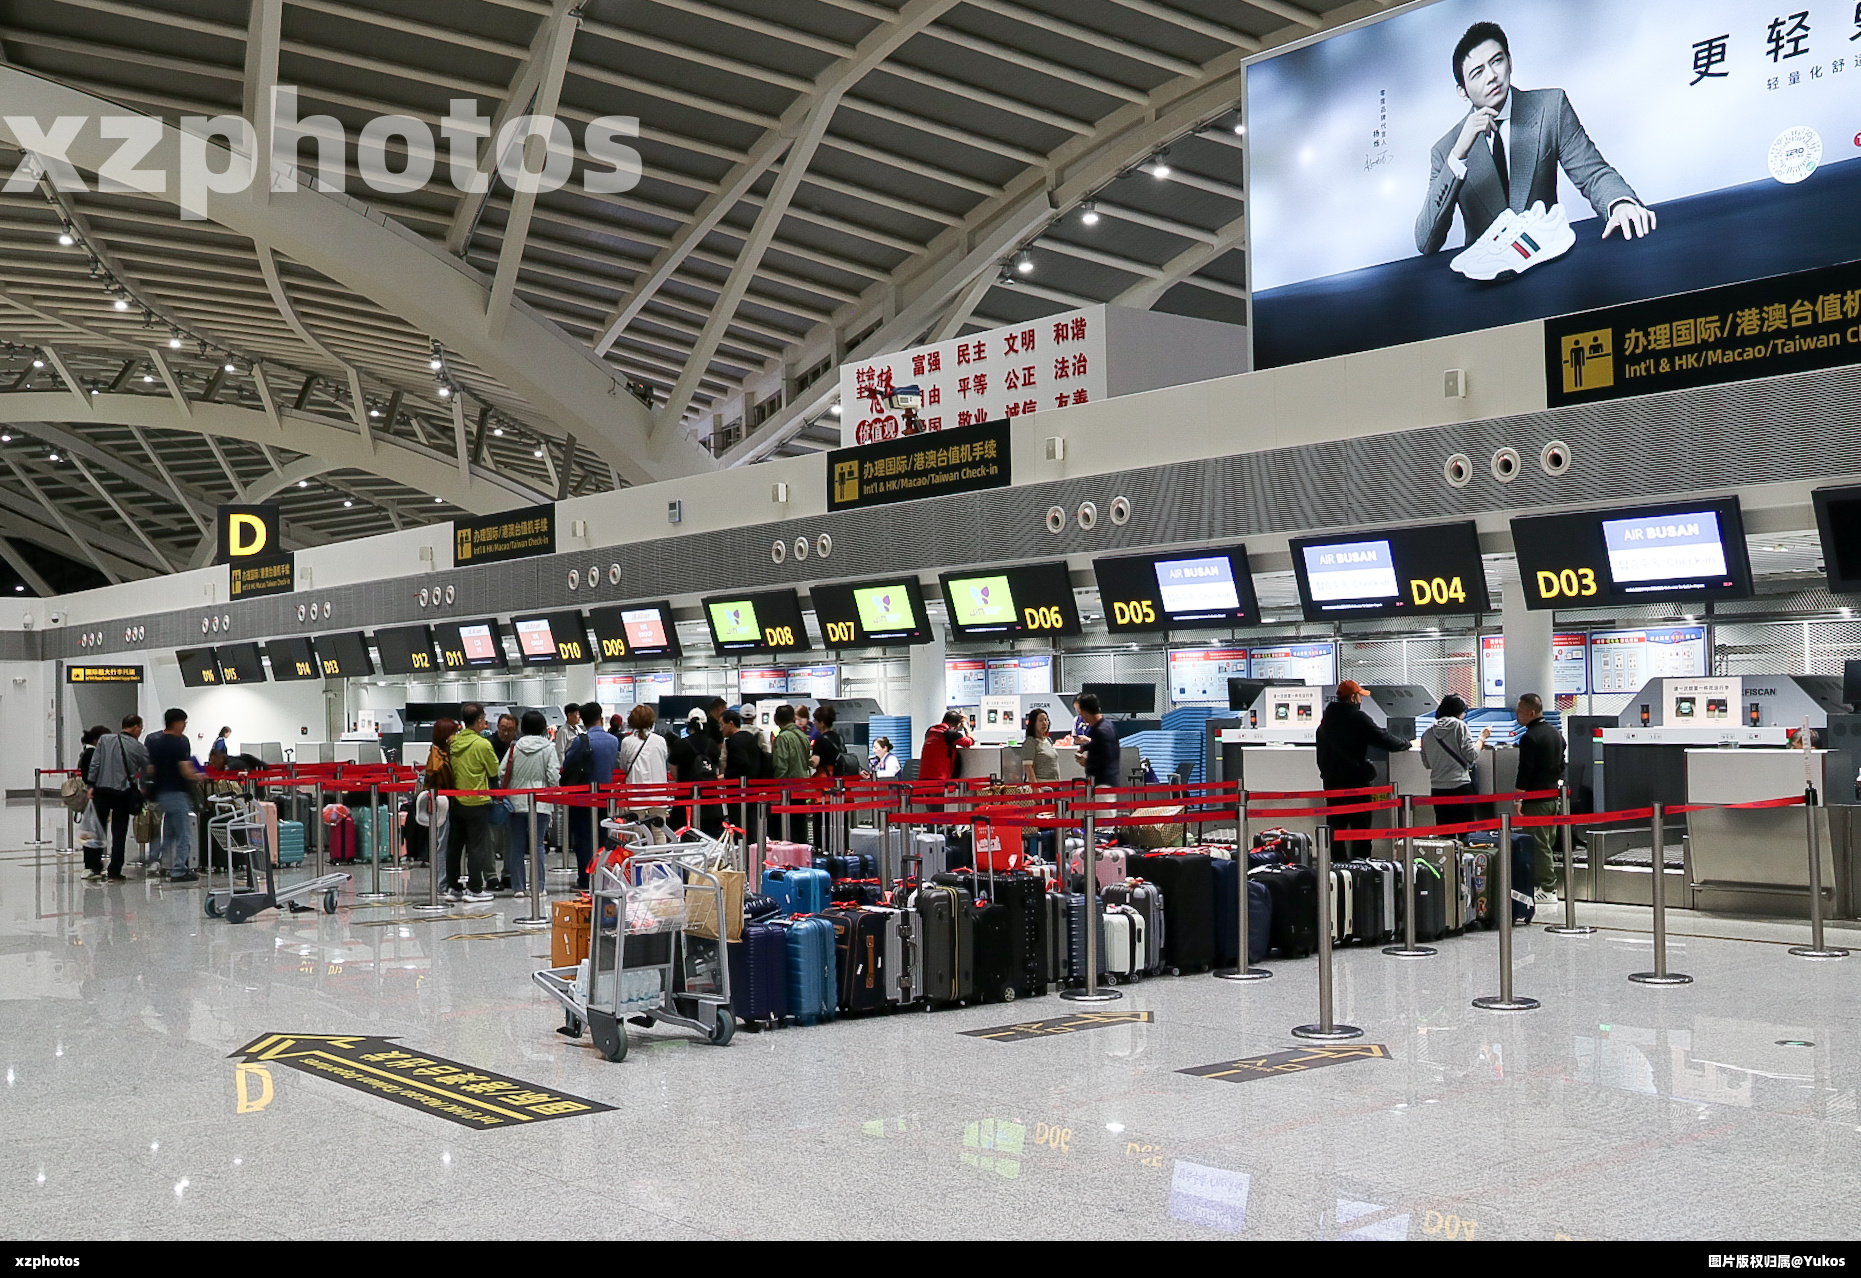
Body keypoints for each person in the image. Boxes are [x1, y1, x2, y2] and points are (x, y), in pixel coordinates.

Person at [1416, 21, 1655, 258]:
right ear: (1462, 91)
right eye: (1477, 73)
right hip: (1484, 272)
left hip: (1548, 258)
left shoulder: (1550, 108)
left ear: (1510, 62)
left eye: (1497, 61)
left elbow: (1593, 173)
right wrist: (1458, 156)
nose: (1492, 76)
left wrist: (1620, 203)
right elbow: (1427, 242)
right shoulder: (1446, 150)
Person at [1314, 680, 1413, 833]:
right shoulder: (1357, 718)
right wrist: (1406, 743)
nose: (1361, 700)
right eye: (1360, 696)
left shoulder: (1325, 722)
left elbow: (1321, 757)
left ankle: (1336, 850)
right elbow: (1382, 738)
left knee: (1336, 830)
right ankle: (1360, 851)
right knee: (1361, 831)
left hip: (1331, 785)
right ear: (1353, 697)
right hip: (1355, 785)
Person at [444, 703, 501, 902]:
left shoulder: (453, 742)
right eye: (483, 720)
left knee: (455, 846)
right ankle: (475, 888)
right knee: (476, 846)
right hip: (478, 801)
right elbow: (494, 770)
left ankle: (453, 887)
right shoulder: (482, 744)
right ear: (478, 722)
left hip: (456, 800)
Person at [501, 709, 559, 895]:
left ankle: (518, 887)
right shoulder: (549, 748)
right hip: (541, 803)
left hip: (516, 803)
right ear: (543, 727)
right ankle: (538, 886)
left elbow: (502, 772)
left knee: (516, 846)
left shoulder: (514, 748)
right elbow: (553, 775)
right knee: (538, 845)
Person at [1514, 692, 1566, 902]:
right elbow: (1561, 765)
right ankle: (1544, 884)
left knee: (1539, 845)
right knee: (1547, 842)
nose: (1517, 714)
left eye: (1520, 710)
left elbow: (1525, 771)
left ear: (1531, 712)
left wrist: (1518, 798)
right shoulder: (1555, 734)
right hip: (1552, 797)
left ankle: (1548, 887)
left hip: (1536, 800)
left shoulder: (1530, 738)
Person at [562, 701, 618, 888]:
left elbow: (568, 764)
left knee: (584, 838)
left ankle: (586, 878)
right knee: (603, 836)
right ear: (601, 718)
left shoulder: (581, 741)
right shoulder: (613, 741)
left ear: (583, 720)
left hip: (583, 797)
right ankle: (603, 876)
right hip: (606, 797)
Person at [87, 714, 149, 882]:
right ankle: (115, 869)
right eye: (141, 729)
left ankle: (94, 866)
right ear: (135, 727)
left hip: (102, 790)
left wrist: (91, 785)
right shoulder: (138, 747)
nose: (140, 732)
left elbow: (95, 763)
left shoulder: (104, 740)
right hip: (123, 793)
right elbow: (148, 767)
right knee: (119, 832)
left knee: (98, 829)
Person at [1420, 694, 1493, 837]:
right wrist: (1482, 738)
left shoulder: (1427, 732)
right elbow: (1471, 755)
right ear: (1459, 712)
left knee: (1445, 836)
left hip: (1438, 789)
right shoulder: (1459, 726)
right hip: (1460, 787)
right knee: (1466, 834)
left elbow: (1426, 763)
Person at [146, 707, 203, 883]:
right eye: (184, 722)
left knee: (169, 833)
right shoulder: (179, 742)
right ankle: (179, 870)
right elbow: (185, 770)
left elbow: (150, 769)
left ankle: (154, 856)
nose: (185, 725)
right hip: (178, 793)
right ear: (177, 723)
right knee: (183, 834)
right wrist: (199, 776)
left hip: (162, 792)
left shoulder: (154, 741)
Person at [616, 705, 671, 838]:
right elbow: (664, 761)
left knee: (636, 832)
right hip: (658, 793)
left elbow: (623, 766)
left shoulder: (627, 742)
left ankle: (636, 852)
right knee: (659, 831)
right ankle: (660, 852)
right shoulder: (660, 741)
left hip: (636, 793)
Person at [75, 725, 109, 879]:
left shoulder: (86, 753)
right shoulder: (91, 754)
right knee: (94, 831)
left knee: (92, 831)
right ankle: (93, 864)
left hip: (93, 797)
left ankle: (93, 863)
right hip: (96, 797)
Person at [1072, 694, 1123, 790]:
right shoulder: (1107, 725)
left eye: (1081, 713)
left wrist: (1086, 762)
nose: (1081, 717)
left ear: (1086, 712)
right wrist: (1085, 747)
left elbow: (1106, 758)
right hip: (1107, 781)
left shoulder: (1101, 731)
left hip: (1104, 784)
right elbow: (1100, 745)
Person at [919, 710, 973, 784]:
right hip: (940, 778)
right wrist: (965, 724)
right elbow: (970, 741)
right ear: (957, 725)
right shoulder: (951, 734)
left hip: (923, 777)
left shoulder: (930, 731)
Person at [1019, 709, 1059, 784]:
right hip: (1041, 785)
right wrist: (1035, 787)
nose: (1044, 723)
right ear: (1034, 723)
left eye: (1046, 720)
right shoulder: (1030, 742)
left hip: (1055, 784)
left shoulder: (1048, 740)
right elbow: (1028, 767)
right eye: (1041, 720)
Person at [810, 705, 850, 778]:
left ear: (822, 723)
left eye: (815, 720)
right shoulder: (839, 737)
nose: (814, 722)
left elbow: (815, 762)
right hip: (839, 776)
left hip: (825, 777)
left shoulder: (820, 740)